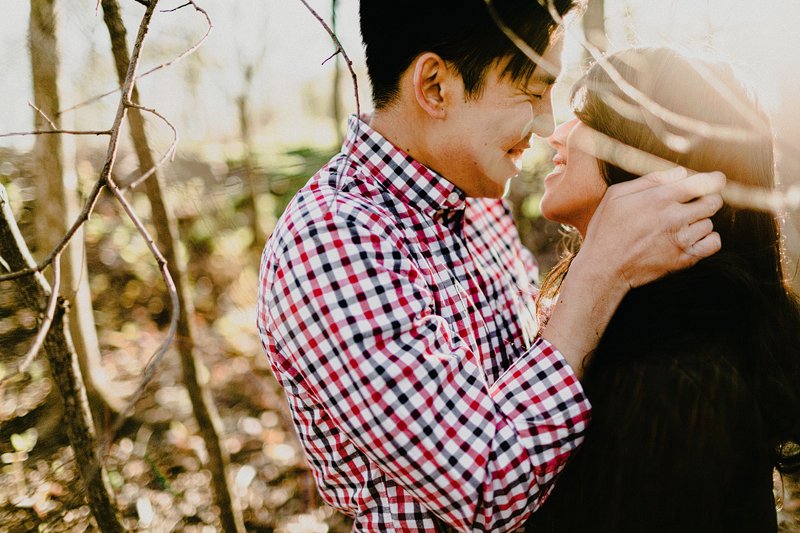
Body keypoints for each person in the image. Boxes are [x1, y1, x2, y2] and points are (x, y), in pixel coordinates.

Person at [257, 2, 725, 530]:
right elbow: (487, 485)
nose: (549, 124)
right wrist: (599, 272)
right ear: (436, 87)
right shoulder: (334, 242)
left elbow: (535, 372)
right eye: (532, 91)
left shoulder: (474, 200)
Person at [526, 47, 800, 533]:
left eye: (587, 116)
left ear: (654, 158)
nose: (555, 132)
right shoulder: (633, 333)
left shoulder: (680, 382)